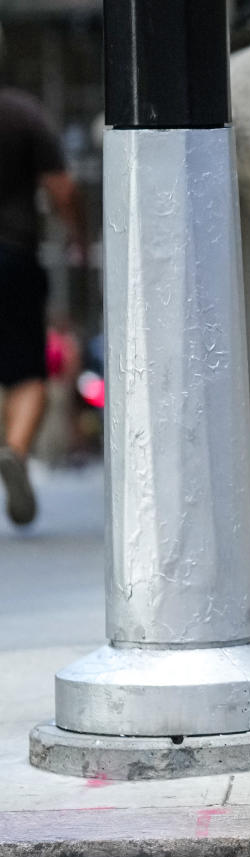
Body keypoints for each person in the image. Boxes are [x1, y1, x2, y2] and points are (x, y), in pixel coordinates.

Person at [0, 35, 86, 525]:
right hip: (13, 256)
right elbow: (64, 188)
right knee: (27, 372)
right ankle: (15, 449)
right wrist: (77, 235)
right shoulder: (22, 113)